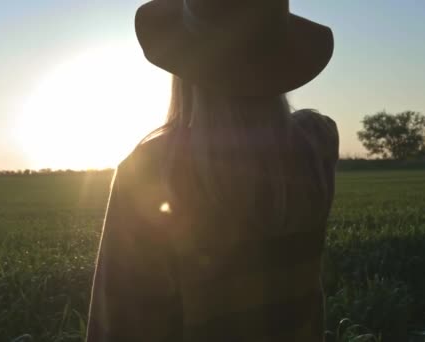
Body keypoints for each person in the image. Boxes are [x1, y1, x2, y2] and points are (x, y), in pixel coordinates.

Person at [86, 0, 339, 341]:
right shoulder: (316, 143)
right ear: (280, 57)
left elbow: (119, 322)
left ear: (185, 65)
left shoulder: (152, 169)